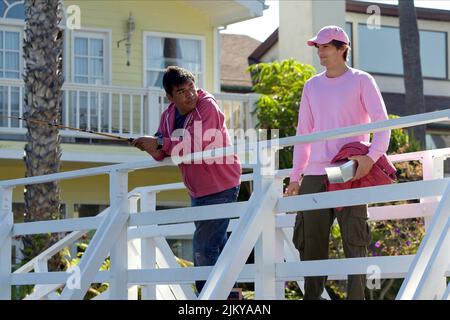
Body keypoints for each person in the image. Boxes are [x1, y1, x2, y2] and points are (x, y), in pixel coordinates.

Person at [284, 26, 391, 300]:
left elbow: (383, 126)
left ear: (342, 48)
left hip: (348, 171)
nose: (320, 52)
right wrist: (296, 177)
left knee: (355, 243)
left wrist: (370, 158)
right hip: (315, 173)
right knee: (310, 245)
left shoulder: (362, 80)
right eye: (317, 47)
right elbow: (303, 134)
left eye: (325, 47)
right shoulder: (311, 85)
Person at [132, 66, 241, 295]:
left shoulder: (207, 106)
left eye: (192, 87)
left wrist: (162, 143)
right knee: (215, 246)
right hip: (198, 191)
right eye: (182, 92)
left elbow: (197, 145)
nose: (190, 94)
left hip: (222, 185)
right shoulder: (168, 116)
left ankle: (208, 298)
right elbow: (163, 151)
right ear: (170, 97)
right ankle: (229, 296)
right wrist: (150, 146)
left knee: (204, 247)